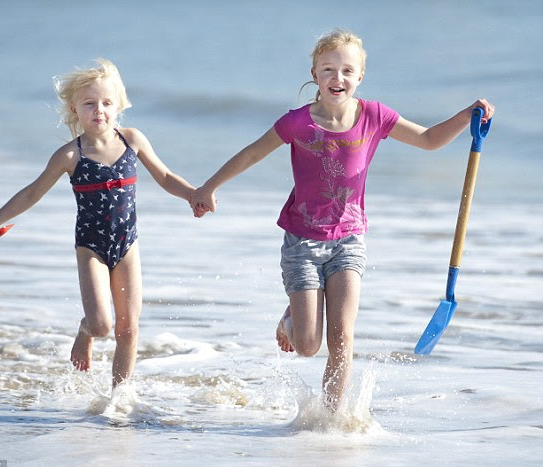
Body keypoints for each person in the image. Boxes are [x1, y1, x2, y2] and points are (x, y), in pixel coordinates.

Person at [191, 30, 494, 411]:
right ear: (315, 74)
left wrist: (468, 115)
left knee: (342, 340)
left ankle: (332, 421)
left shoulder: (374, 116)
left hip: (349, 241)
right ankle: (290, 321)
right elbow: (252, 154)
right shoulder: (298, 123)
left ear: (360, 77)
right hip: (302, 242)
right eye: (329, 70)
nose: (339, 78)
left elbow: (430, 139)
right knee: (307, 346)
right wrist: (209, 187)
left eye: (348, 71)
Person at [0, 59, 196, 387]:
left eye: (106, 102)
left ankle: (119, 399)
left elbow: (167, 176)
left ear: (119, 106)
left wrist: (193, 195)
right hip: (91, 247)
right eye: (89, 104)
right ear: (74, 109)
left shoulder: (132, 140)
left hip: (128, 243)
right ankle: (84, 330)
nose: (99, 110)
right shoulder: (70, 156)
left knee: (128, 329)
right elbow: (31, 193)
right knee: (102, 325)